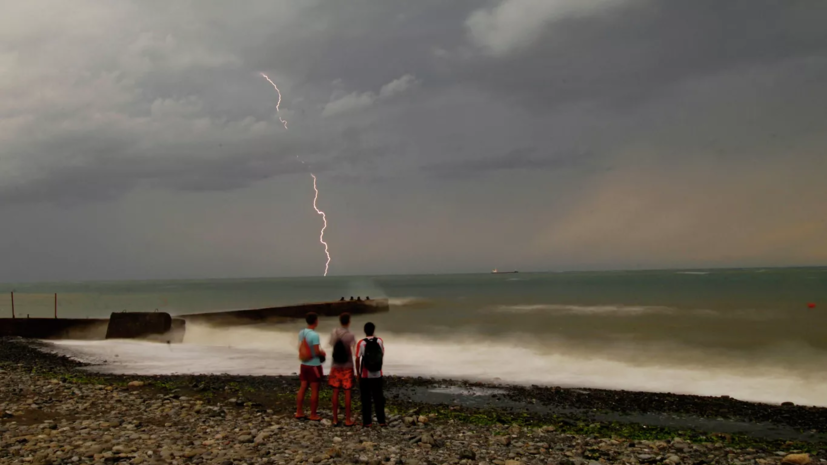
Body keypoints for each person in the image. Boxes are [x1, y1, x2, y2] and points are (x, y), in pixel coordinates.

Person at [328, 313, 357, 427]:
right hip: (347, 365)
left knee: (335, 391)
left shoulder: (334, 332)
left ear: (340, 321)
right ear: (349, 322)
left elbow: (331, 344)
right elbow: (353, 350)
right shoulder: (351, 335)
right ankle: (347, 419)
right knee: (347, 392)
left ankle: (335, 419)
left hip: (335, 365)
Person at [296, 312, 326, 421]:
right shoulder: (314, 335)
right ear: (316, 321)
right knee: (314, 389)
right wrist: (323, 353)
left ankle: (299, 411)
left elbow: (303, 347)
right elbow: (316, 351)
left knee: (303, 387)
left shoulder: (302, 332)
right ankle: (313, 414)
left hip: (304, 364)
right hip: (314, 365)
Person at [355, 322, 386, 427]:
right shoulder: (379, 341)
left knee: (366, 398)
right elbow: (382, 354)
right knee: (378, 397)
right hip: (378, 373)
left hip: (365, 375)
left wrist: (358, 373)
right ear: (374, 330)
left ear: (365, 331)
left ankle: (367, 422)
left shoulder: (361, 343)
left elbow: (357, 358)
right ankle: (382, 421)